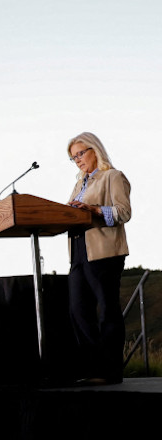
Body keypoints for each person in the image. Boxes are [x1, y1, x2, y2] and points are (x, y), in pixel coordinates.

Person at [65, 132, 132, 384]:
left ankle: (111, 371)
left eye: (81, 153)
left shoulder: (112, 176)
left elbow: (124, 212)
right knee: (78, 311)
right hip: (79, 251)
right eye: (73, 157)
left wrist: (93, 209)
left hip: (104, 251)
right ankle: (93, 368)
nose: (78, 160)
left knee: (107, 310)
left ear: (95, 150)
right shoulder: (79, 183)